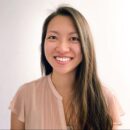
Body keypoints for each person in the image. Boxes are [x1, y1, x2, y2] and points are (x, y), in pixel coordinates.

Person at [9, 5, 124, 130]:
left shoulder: (106, 100)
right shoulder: (25, 96)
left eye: (74, 38)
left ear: (86, 45)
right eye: (53, 37)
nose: (62, 48)